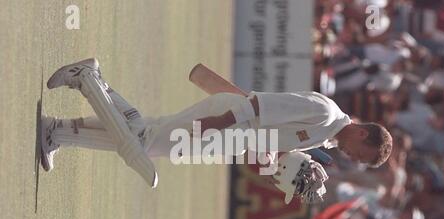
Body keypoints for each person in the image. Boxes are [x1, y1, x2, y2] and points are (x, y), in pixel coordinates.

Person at [41, 58, 393, 185]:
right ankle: (85, 81)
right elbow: (262, 106)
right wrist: (217, 122)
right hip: (228, 122)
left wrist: (272, 163)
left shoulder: (328, 137)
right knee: (143, 143)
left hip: (231, 134)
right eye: (360, 154)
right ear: (363, 133)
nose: (353, 158)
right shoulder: (326, 114)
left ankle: (64, 122)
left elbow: (270, 136)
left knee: (143, 131)